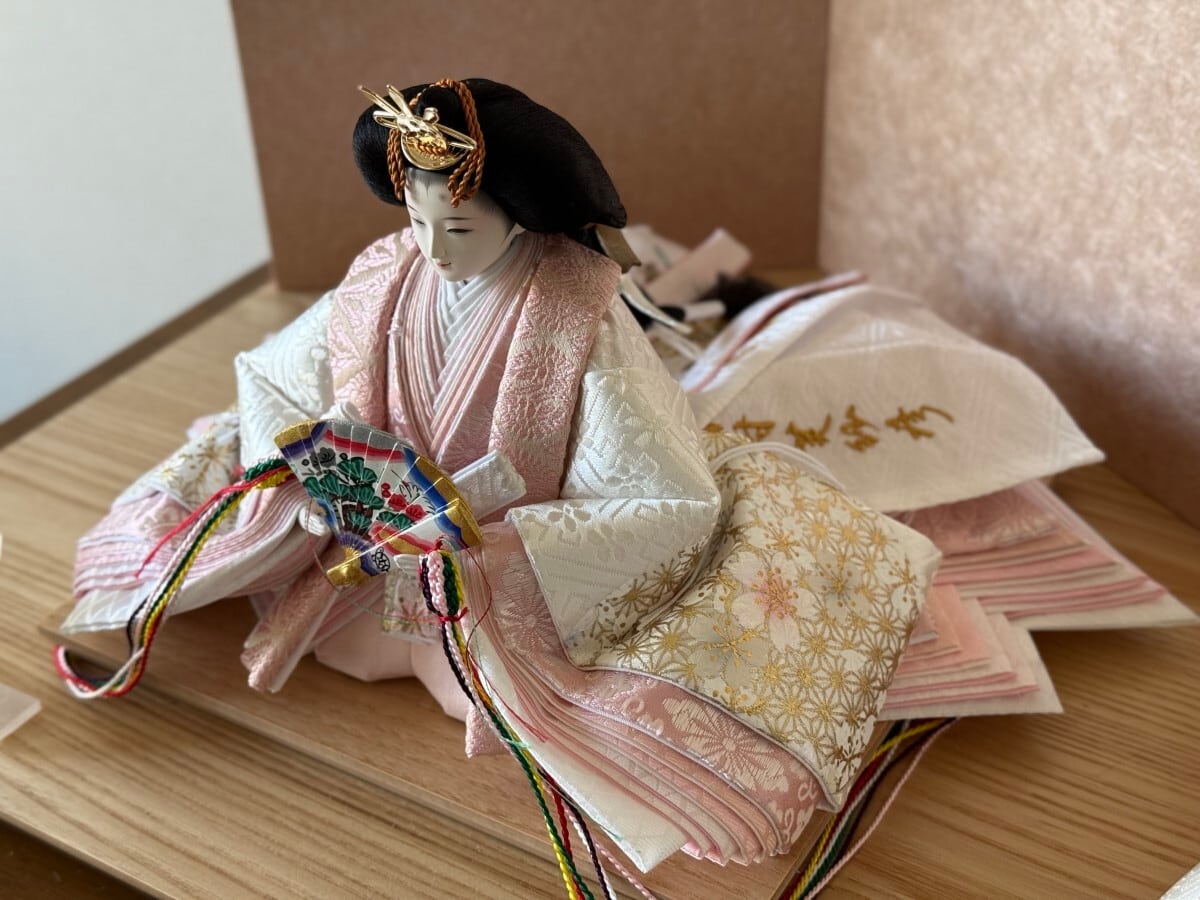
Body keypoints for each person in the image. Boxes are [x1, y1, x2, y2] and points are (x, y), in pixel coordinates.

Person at [67, 78, 939, 870]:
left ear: (519, 216)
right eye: (417, 221)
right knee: (315, 612)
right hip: (367, 550)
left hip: (489, 565)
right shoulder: (383, 276)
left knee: (508, 693)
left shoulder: (577, 313)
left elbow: (659, 490)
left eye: (459, 228)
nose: (433, 249)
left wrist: (498, 550)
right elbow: (274, 375)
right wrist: (316, 477)